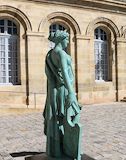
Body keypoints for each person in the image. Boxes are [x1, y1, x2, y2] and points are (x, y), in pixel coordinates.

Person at [43, 30, 81, 159]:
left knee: (57, 118)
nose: (68, 42)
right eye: (67, 39)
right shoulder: (62, 54)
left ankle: (56, 150)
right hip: (63, 89)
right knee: (71, 115)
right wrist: (71, 93)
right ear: (61, 40)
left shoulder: (50, 54)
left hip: (54, 92)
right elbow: (65, 72)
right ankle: (67, 149)